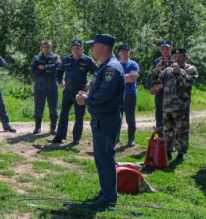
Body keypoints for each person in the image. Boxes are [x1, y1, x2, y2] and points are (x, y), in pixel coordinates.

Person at [75, 34, 125, 206]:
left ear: (103, 47)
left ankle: (109, 198)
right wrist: (89, 95)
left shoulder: (111, 68)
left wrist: (86, 100)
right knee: (102, 156)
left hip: (106, 118)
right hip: (102, 118)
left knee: (105, 156)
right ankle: (106, 191)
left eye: (94, 45)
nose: (91, 49)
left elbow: (105, 94)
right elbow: (101, 91)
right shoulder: (106, 66)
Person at [150, 48, 199, 162]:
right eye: (175, 57)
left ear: (185, 57)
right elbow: (156, 81)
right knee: (167, 130)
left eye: (180, 56)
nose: (177, 59)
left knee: (182, 131)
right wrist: (156, 70)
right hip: (167, 106)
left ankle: (180, 153)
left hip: (181, 107)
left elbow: (187, 83)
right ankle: (168, 151)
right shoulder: (167, 70)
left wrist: (178, 71)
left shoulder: (190, 69)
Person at [51, 39, 97, 145]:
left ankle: (76, 138)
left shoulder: (88, 60)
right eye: (73, 48)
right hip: (67, 92)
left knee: (79, 116)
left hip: (80, 93)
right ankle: (59, 136)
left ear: (82, 48)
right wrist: (60, 81)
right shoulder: (66, 59)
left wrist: (91, 84)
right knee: (63, 115)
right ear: (71, 49)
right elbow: (59, 71)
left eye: (78, 48)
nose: (75, 50)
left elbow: (98, 73)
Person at [31, 39, 61, 135]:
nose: (46, 49)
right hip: (40, 85)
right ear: (41, 48)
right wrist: (49, 69)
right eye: (44, 47)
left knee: (53, 107)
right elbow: (34, 70)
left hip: (52, 85)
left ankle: (53, 128)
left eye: (47, 47)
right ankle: (37, 127)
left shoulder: (56, 57)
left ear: (51, 47)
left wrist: (43, 67)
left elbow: (57, 67)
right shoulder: (36, 58)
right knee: (39, 107)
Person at [147, 40, 173, 130]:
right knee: (159, 116)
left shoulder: (175, 61)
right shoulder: (157, 61)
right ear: (160, 50)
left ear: (171, 48)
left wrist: (162, 85)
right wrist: (151, 87)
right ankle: (160, 139)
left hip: (171, 94)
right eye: (163, 49)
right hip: (159, 94)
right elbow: (151, 76)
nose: (165, 51)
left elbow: (176, 79)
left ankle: (170, 140)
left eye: (167, 48)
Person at [118, 44, 140, 147]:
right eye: (123, 52)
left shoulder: (133, 64)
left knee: (130, 117)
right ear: (119, 54)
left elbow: (132, 79)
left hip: (130, 94)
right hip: (118, 95)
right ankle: (116, 137)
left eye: (126, 51)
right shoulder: (117, 65)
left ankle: (131, 139)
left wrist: (119, 78)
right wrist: (125, 77)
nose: (125, 53)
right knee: (117, 117)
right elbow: (114, 80)